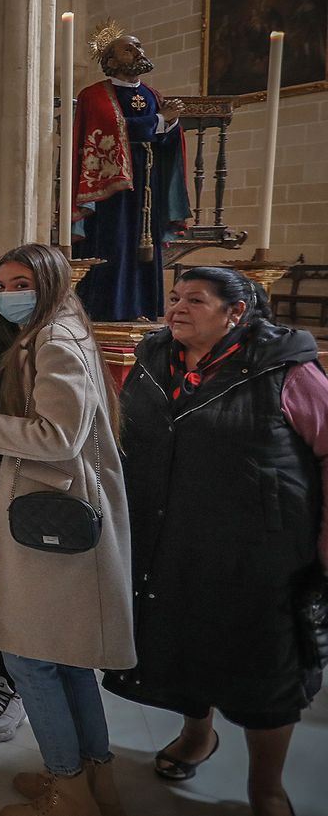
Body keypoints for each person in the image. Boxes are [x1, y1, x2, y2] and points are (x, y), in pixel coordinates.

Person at [106, 267, 327, 816]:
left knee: (262, 666)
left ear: (236, 312)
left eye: (195, 300)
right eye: (174, 297)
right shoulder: (154, 360)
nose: (177, 308)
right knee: (181, 644)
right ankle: (197, 734)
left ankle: (266, 786)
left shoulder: (286, 371)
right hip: (171, 536)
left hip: (261, 551)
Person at [0, 243, 135, 816]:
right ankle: (95, 777)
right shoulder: (58, 332)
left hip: (54, 514)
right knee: (66, 654)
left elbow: (59, 437)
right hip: (62, 508)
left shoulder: (54, 341)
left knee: (28, 655)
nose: (8, 295)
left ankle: (66, 785)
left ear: (49, 284)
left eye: (21, 283)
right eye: (1, 285)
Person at [70, 23, 190, 322]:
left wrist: (171, 124)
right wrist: (160, 119)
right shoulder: (95, 95)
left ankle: (143, 310)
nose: (139, 51)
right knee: (117, 246)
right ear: (110, 61)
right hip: (113, 187)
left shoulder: (151, 93)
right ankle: (107, 311)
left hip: (149, 181)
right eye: (129, 48)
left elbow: (162, 138)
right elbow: (107, 131)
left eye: (139, 46)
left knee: (144, 250)